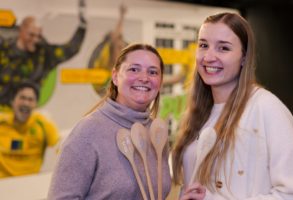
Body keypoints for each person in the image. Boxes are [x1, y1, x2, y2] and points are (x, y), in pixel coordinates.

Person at [172, 12, 293, 199]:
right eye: (203, 45)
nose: (208, 56)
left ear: (244, 57)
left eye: (223, 48)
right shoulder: (199, 113)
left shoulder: (267, 108)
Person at [48, 43, 171, 199]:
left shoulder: (156, 133)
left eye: (153, 72)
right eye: (134, 69)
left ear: (160, 82)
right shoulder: (88, 132)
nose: (144, 78)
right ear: (115, 76)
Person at [0, 0, 87, 107]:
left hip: (26, 114)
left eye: (38, 36)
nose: (35, 40)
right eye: (31, 35)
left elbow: (70, 49)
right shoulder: (4, 48)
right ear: (21, 31)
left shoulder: (44, 54)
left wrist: (82, 26)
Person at [0, 81, 59, 178]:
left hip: (29, 187)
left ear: (36, 105)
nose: (26, 103)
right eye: (22, 98)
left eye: (30, 99)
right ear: (12, 101)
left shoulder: (44, 125)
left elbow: (61, 150)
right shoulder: (2, 123)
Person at [88, 4, 128, 96]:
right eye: (119, 47)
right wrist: (122, 16)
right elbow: (116, 37)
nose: (122, 49)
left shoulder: (121, 65)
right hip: (101, 86)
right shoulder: (106, 54)